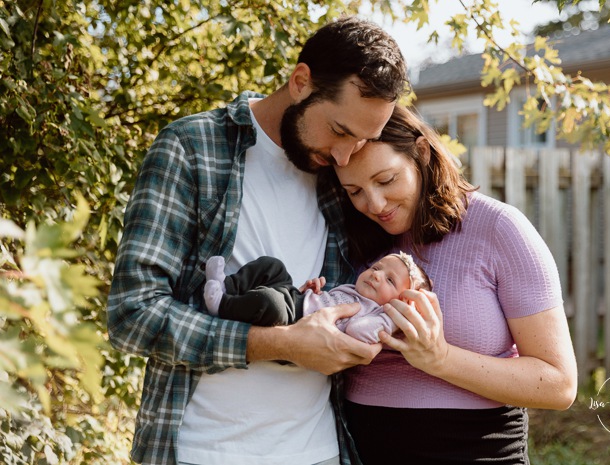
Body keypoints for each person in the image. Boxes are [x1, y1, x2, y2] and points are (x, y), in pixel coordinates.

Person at [107, 15, 408, 465]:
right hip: (202, 451)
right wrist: (280, 344)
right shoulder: (192, 148)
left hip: (321, 450)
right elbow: (132, 314)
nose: (346, 156)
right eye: (341, 131)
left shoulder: (341, 178)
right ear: (301, 81)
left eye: (363, 140)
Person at [325, 105, 578, 464]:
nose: (375, 203)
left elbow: (559, 384)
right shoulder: (353, 239)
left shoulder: (499, 228)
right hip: (360, 449)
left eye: (386, 180)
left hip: (472, 449)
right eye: (355, 191)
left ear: (422, 153)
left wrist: (440, 359)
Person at [202, 252, 432, 344]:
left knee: (268, 302)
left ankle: (222, 305)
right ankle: (227, 285)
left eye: (390, 280)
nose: (376, 275)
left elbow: (355, 330)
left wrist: (391, 319)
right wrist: (311, 289)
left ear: (400, 303)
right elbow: (326, 300)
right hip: (297, 299)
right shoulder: (354, 289)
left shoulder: (375, 316)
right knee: (273, 266)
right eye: (376, 267)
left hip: (294, 320)